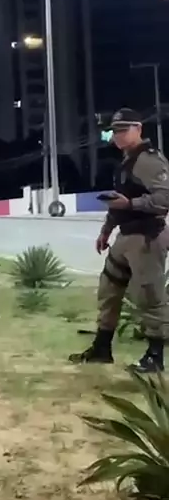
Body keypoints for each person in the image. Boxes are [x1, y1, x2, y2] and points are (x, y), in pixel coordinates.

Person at [70, 108, 169, 373]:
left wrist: (130, 204)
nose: (118, 136)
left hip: (147, 236)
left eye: (124, 130)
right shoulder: (128, 160)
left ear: (139, 129)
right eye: (115, 131)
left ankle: (155, 356)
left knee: (150, 296)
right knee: (109, 291)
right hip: (126, 236)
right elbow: (119, 201)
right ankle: (102, 348)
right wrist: (106, 230)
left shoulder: (149, 161)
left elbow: (164, 199)